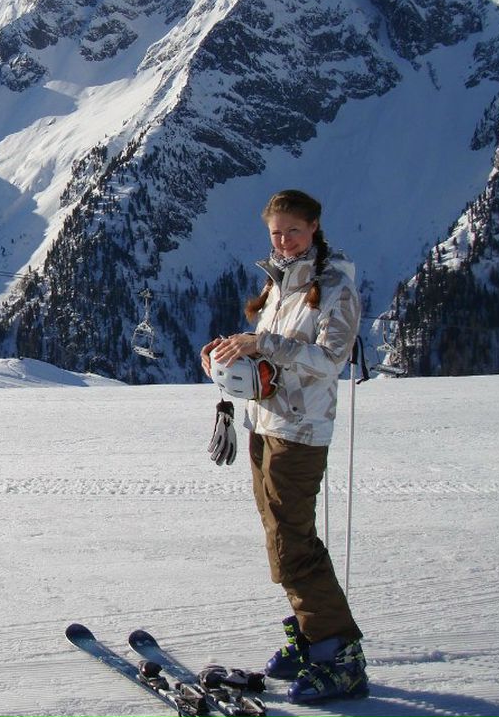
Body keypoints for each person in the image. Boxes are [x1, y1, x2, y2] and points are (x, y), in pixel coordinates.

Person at [199, 189, 367, 704]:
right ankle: (309, 630)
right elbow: (274, 359)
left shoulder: (335, 287)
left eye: (293, 230)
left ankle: (339, 653)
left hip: (301, 431)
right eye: (276, 232)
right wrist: (230, 363)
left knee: (293, 542)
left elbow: (329, 359)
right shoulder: (281, 283)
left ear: (315, 227)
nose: (284, 240)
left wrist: (261, 344)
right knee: (280, 536)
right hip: (265, 422)